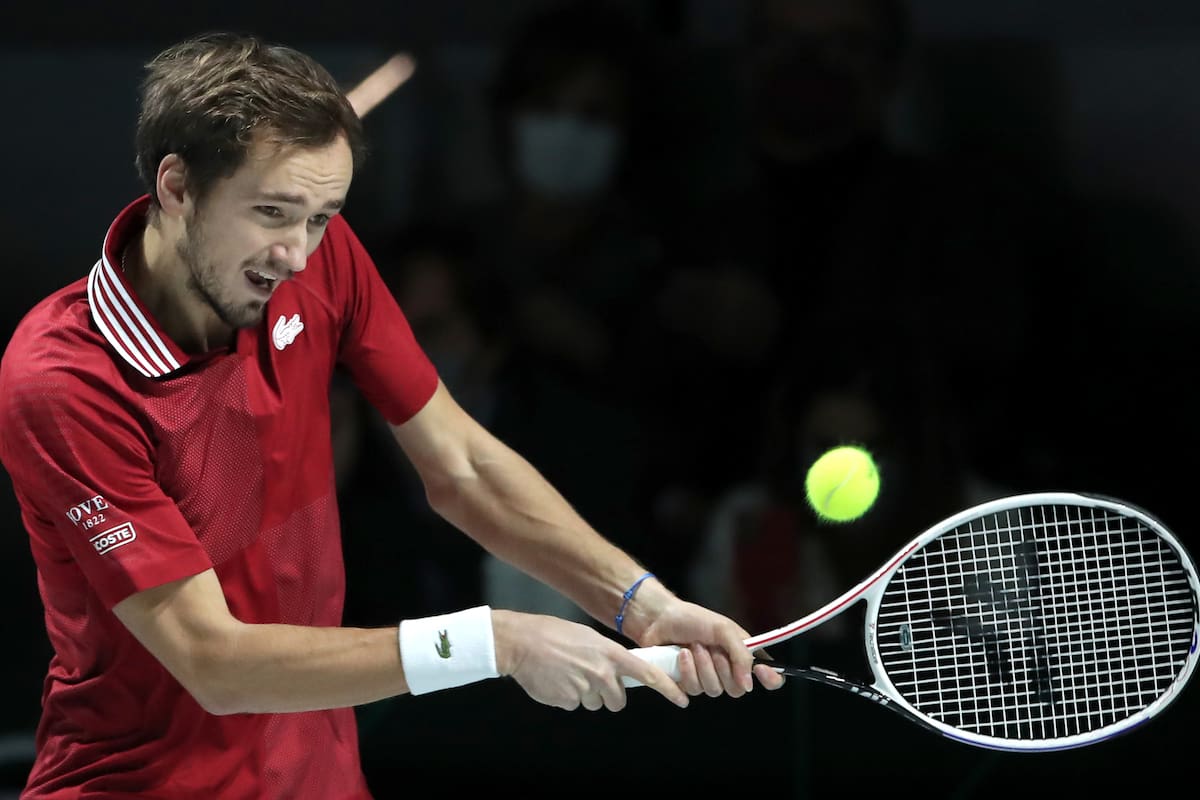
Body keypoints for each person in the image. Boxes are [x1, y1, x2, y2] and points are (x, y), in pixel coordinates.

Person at [0, 32, 783, 800]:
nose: (298, 255)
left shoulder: (319, 257)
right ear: (177, 187)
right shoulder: (65, 378)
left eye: (321, 214)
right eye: (272, 211)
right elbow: (213, 662)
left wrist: (644, 605)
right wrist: (494, 642)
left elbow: (463, 466)